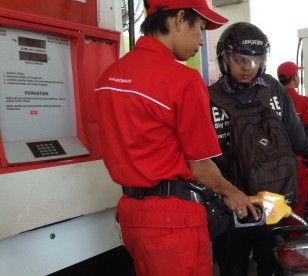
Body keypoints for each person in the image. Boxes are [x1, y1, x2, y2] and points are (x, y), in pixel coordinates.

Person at [94, 1, 258, 275]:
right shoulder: (183, 80)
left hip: (132, 216)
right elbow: (200, 166)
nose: (202, 41)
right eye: (201, 29)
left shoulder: (109, 77)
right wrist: (233, 192)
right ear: (180, 19)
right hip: (173, 222)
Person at [209, 22, 308, 276]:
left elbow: (295, 135)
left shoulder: (273, 89)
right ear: (224, 58)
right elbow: (297, 137)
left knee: (265, 264)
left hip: (271, 202)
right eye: (238, 58)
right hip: (234, 204)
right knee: (244, 264)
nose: (247, 66)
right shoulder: (209, 99)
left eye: (255, 58)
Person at [277, 61, 308, 225]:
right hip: (299, 162)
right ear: (295, 77)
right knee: (297, 206)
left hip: (274, 164)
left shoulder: (270, 101)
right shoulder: (304, 102)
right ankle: (294, 243)